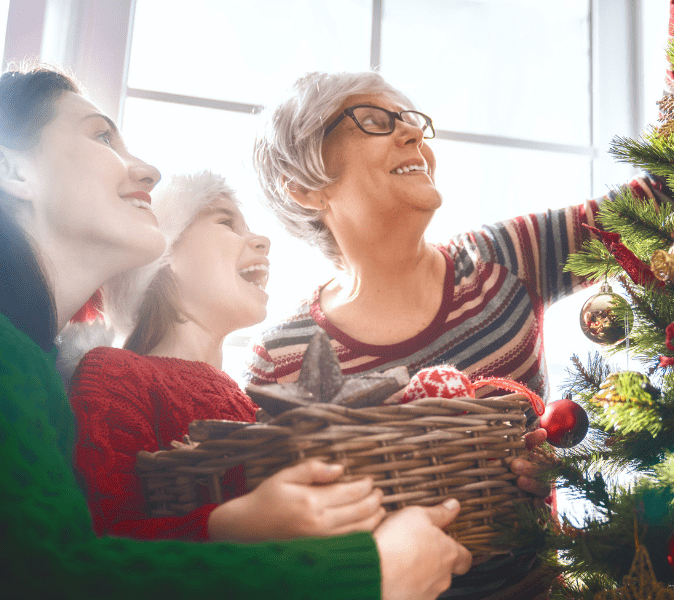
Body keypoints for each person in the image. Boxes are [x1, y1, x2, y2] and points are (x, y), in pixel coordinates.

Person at [0, 63, 469, 600]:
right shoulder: (66, 369)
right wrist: (368, 571)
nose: (149, 171)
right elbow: (53, 572)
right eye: (101, 135)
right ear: (13, 169)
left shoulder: (31, 370)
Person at [248, 70, 612, 599]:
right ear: (306, 188)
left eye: (411, 121)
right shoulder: (281, 358)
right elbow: (284, 552)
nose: (413, 134)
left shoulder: (502, 261)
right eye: (373, 120)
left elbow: (655, 204)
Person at [68, 170, 393, 544]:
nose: (262, 240)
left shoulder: (248, 404)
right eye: (226, 221)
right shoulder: (114, 374)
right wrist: (235, 524)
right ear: (165, 252)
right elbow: (104, 539)